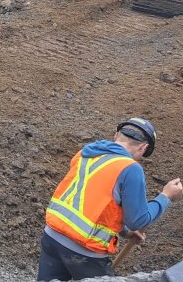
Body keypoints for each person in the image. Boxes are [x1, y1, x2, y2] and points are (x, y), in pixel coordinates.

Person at [37, 118, 183, 281]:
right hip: (85, 253)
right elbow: (139, 220)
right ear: (144, 147)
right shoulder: (130, 168)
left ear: (116, 135)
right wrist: (166, 196)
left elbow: (94, 202)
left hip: (51, 238)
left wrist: (125, 231)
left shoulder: (85, 154)